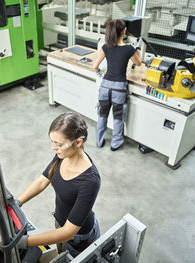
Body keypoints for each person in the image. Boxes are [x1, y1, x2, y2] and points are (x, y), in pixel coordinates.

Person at [16, 112, 101, 257]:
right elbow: (43, 179)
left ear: (78, 142)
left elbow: (68, 232)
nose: (53, 148)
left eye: (59, 144)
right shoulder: (63, 154)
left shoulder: (89, 181)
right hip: (60, 224)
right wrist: (17, 203)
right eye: (53, 142)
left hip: (79, 238)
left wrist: (23, 241)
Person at [93, 19, 142, 151]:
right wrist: (138, 48)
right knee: (118, 117)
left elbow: (95, 66)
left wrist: (100, 74)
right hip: (119, 89)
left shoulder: (105, 47)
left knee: (102, 115)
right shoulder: (129, 49)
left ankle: (99, 141)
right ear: (124, 32)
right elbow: (139, 63)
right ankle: (115, 143)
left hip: (104, 87)